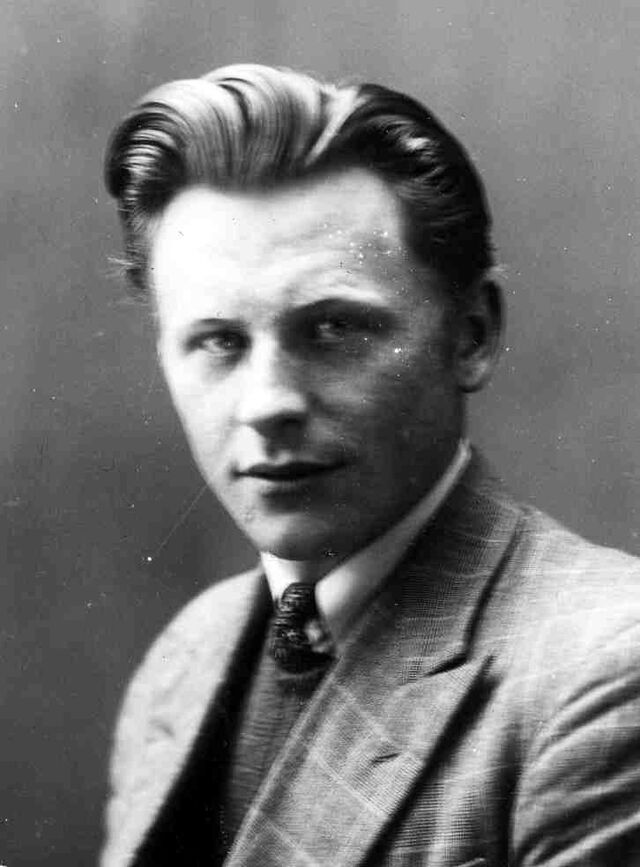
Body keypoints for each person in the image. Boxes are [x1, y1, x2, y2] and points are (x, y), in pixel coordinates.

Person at [100, 64, 640, 867]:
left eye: (333, 329)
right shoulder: (186, 659)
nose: (267, 403)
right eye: (219, 341)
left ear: (472, 334)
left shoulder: (604, 671)